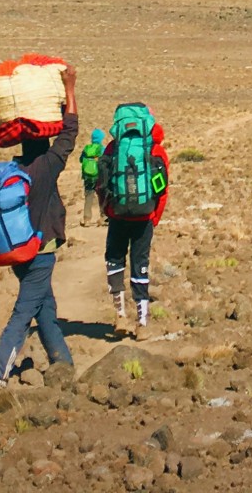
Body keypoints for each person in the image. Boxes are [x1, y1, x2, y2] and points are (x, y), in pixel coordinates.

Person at [0, 63, 79, 391]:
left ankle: (63, 365)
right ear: (44, 141)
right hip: (41, 251)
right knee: (23, 314)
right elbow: (69, 133)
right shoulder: (48, 165)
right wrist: (70, 89)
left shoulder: (14, 169)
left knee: (45, 309)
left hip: (19, 251)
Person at [97, 106, 171, 339]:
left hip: (118, 215)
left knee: (115, 259)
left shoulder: (112, 148)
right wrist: (154, 218)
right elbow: (162, 190)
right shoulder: (155, 150)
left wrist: (107, 210)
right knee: (141, 263)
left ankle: (120, 314)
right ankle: (142, 321)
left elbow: (102, 183)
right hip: (144, 217)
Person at [78, 127, 105, 226]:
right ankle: (103, 217)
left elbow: (80, 160)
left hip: (87, 176)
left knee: (89, 196)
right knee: (101, 196)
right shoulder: (101, 149)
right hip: (98, 176)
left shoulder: (86, 149)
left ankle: (87, 219)